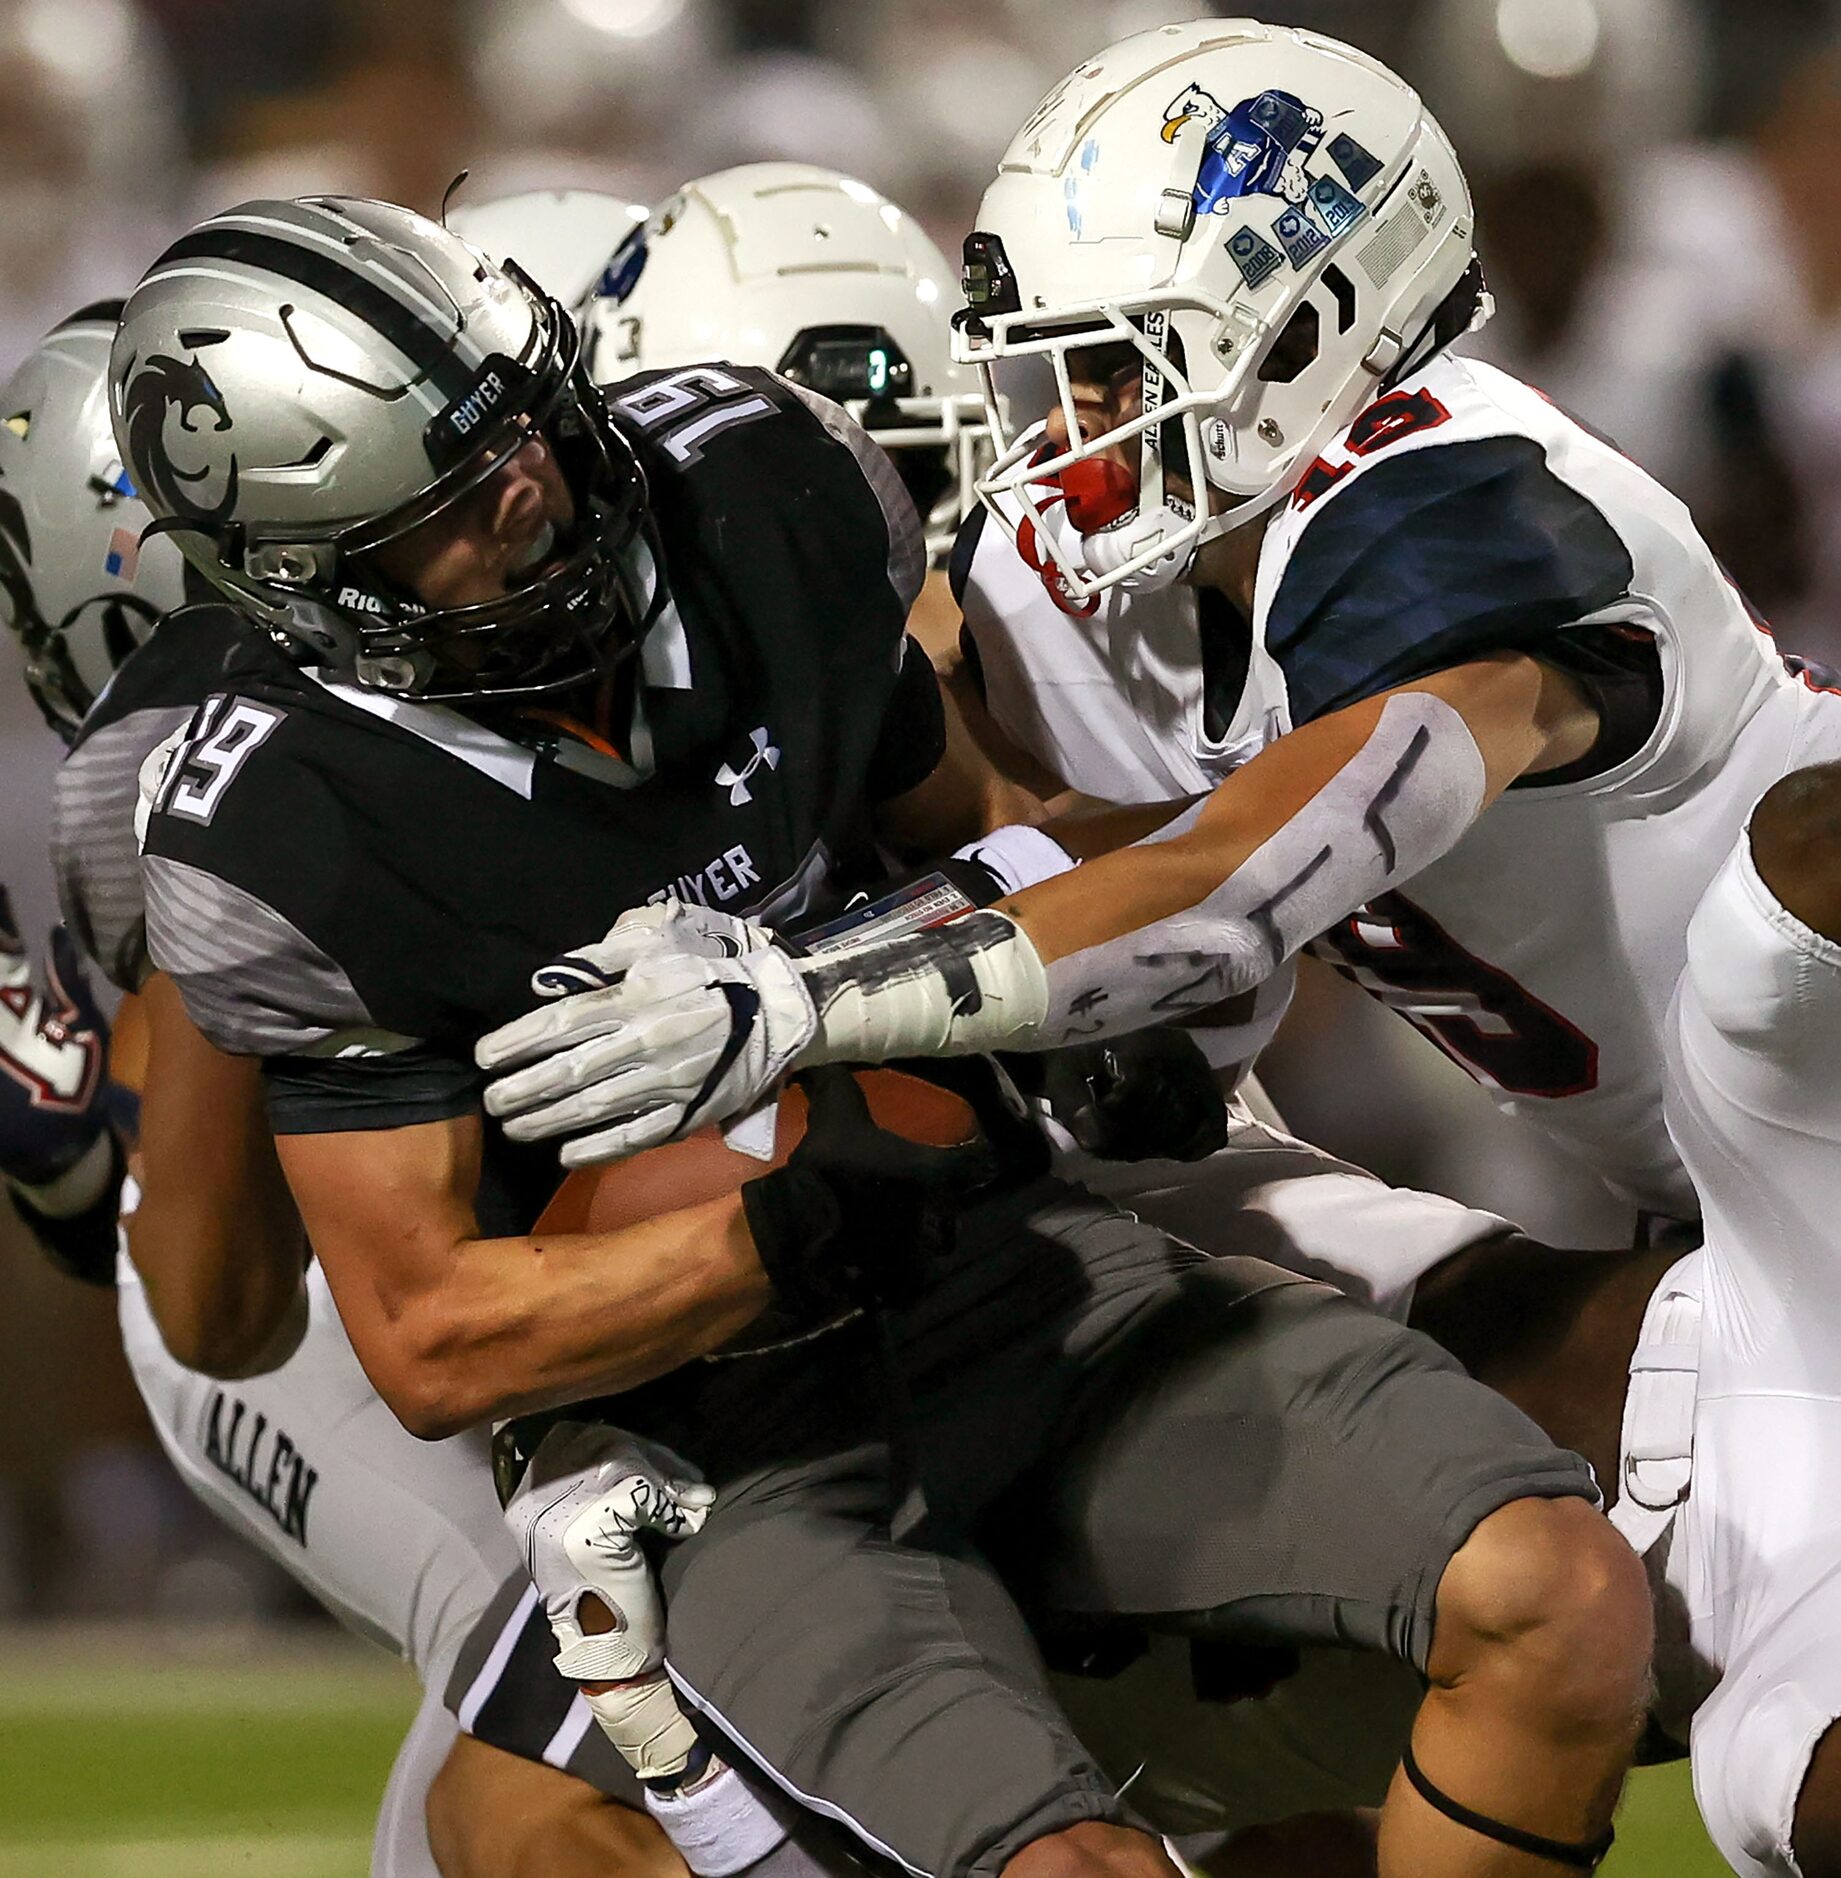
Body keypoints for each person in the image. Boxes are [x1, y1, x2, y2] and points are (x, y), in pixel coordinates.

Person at [116, 191, 1648, 1878]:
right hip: (712, 1440)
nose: (534, 485)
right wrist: (800, 1215)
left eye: (527, 420)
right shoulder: (279, 825)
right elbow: (427, 1338)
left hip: (1013, 1267)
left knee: (1554, 1595)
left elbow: (994, 828)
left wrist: (1050, 997)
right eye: (456, 504)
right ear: (309, 579)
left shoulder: (752, 482)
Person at [482, 20, 1841, 1874]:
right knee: (1787, 1762)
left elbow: (1236, 873)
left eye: (1116, 364)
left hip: (1805, 1088)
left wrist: (805, 999)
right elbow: (1111, 916)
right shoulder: (1118, 577)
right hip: (1736, 1233)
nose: (1064, 434)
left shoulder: (1444, 492)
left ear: (1304, 332)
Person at [3, 298, 683, 1878]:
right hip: (330, 1288)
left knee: (476, 1797)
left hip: (449, 1243)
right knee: (582, 1722)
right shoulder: (220, 749)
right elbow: (196, 1249)